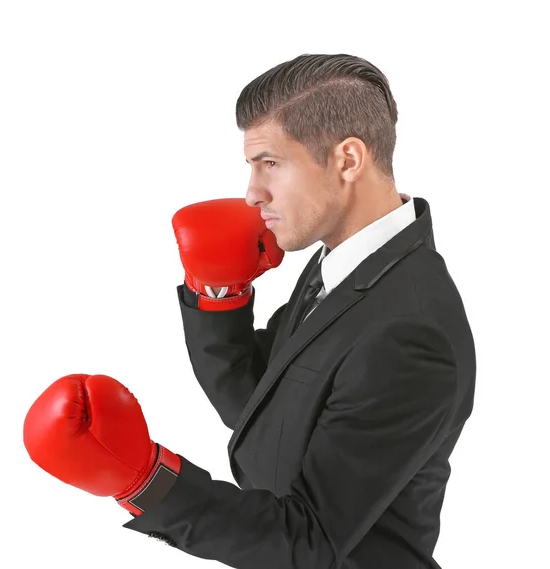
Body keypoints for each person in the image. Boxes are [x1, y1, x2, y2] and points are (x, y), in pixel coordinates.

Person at [24, 54, 476, 569]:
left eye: (271, 163)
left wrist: (147, 482)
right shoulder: (345, 264)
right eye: (251, 166)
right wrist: (218, 296)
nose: (252, 194)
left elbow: (310, 541)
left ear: (348, 159)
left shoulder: (409, 334)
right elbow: (259, 405)